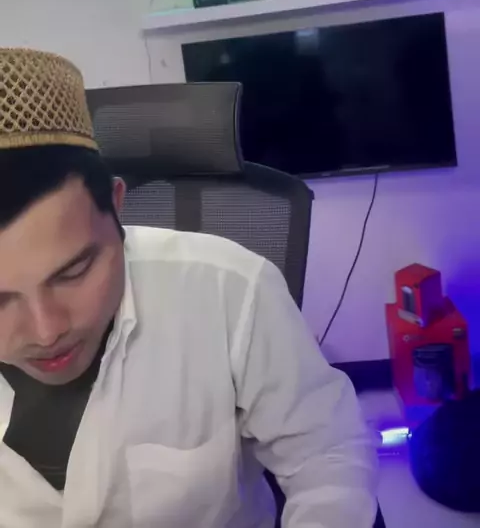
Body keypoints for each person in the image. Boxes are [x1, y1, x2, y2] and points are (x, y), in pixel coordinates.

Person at [0, 47, 378, 527]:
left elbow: (327, 453)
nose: (47, 329)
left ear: (117, 207)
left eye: (74, 271)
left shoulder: (229, 290)